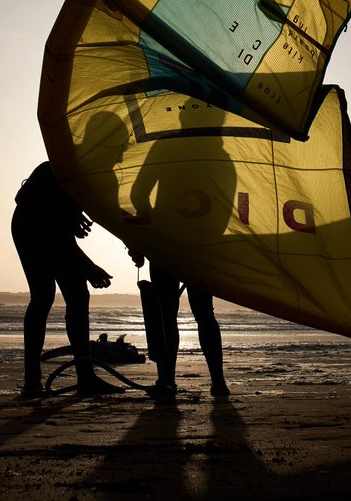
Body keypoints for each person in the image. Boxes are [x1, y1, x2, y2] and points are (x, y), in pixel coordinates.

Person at [12, 161, 121, 397]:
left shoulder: (93, 173)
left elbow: (71, 223)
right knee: (44, 296)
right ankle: (34, 381)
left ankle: (84, 377)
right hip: (30, 226)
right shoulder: (61, 170)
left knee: (76, 296)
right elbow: (56, 235)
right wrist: (88, 267)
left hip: (49, 225)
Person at [131, 250, 230, 399]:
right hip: (191, 249)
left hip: (167, 248)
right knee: (201, 315)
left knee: (168, 317)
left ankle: (168, 380)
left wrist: (136, 246)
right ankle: (217, 383)